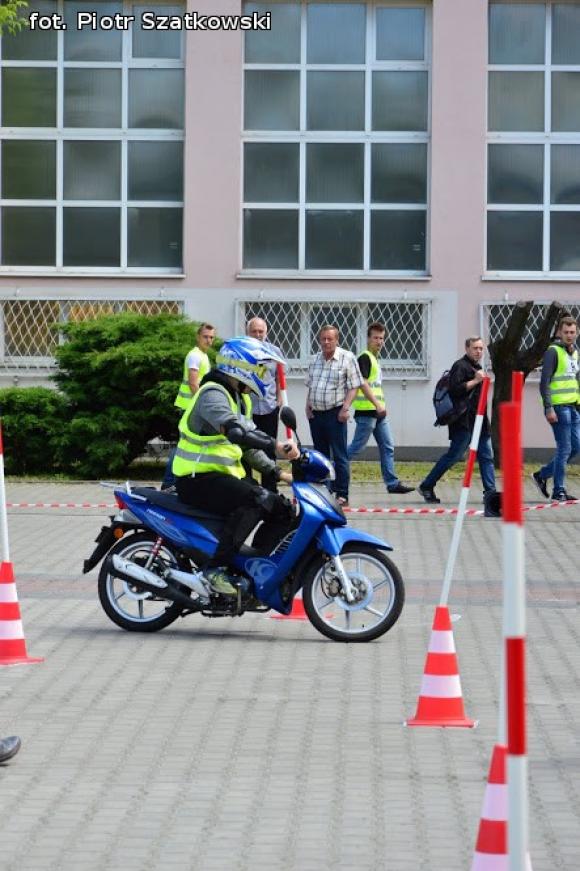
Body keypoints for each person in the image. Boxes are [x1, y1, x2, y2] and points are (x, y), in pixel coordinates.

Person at [172, 336, 300, 596]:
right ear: (242, 365)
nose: (262, 374)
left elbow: (247, 448)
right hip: (196, 478)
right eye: (259, 367)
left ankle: (256, 568)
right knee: (256, 499)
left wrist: (279, 473)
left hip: (220, 478)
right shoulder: (212, 394)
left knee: (283, 509)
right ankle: (215, 569)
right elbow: (236, 432)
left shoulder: (239, 399)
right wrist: (276, 446)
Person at [418, 336, 496, 504]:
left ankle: (491, 493)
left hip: (480, 419)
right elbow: (455, 390)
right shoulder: (460, 366)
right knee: (454, 456)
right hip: (464, 421)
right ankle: (427, 485)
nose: (479, 351)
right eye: (475, 348)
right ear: (467, 349)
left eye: (481, 348)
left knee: (486, 456)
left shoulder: (477, 367)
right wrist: (475, 380)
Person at [347, 323, 414, 496]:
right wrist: (377, 404)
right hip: (367, 412)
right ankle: (330, 470)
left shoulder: (375, 359)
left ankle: (392, 483)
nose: (379, 341)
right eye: (375, 337)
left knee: (387, 446)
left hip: (378, 413)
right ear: (368, 339)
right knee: (356, 448)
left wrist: (380, 406)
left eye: (381, 338)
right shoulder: (364, 357)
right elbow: (362, 384)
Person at [305, 325, 363, 507]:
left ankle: (342, 494)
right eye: (323, 339)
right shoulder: (314, 359)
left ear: (337, 340)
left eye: (330, 339)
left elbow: (355, 385)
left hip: (335, 413)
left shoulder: (347, 358)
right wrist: (307, 406)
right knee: (321, 455)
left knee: (339, 455)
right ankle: (325, 490)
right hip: (316, 414)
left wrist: (345, 408)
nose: (326, 342)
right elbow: (310, 385)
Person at [161, 322, 216, 491]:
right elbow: (193, 384)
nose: (208, 340)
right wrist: (204, 406)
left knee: (188, 445)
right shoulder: (195, 356)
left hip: (192, 408)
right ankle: (169, 482)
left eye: (211, 337)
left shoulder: (203, 355)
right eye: (205, 337)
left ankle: (178, 481)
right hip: (190, 408)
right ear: (198, 337)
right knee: (183, 445)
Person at [532, 315, 579, 502]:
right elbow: (544, 382)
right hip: (558, 407)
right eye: (566, 332)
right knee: (564, 449)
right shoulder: (553, 351)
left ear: (577, 333)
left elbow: (575, 380)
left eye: (572, 332)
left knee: (576, 447)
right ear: (560, 332)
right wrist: (548, 407)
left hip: (573, 406)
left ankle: (542, 475)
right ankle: (558, 490)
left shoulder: (575, 351)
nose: (569, 335)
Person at [246, 316, 284, 492]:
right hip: (248, 410)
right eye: (254, 331)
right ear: (248, 332)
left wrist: (279, 399)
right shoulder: (242, 351)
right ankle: (248, 487)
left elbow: (280, 377)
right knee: (246, 449)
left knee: (269, 449)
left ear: (266, 332)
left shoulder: (274, 351)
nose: (258, 334)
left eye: (261, 331)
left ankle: (270, 489)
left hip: (269, 408)